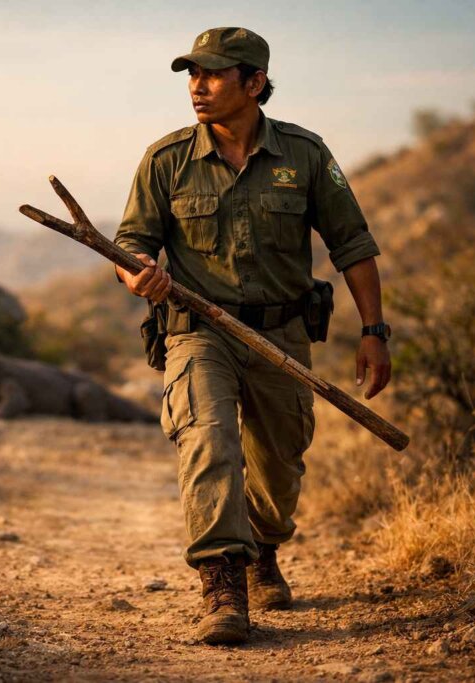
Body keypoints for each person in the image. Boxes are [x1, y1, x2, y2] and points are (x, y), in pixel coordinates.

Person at [113, 26, 392, 645]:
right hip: (196, 332)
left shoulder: (306, 156)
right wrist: (138, 274)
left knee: (278, 467)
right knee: (208, 443)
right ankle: (223, 583)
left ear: (255, 83)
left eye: (212, 75)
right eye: (192, 75)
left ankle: (263, 547)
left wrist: (374, 331)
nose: (198, 87)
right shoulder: (166, 160)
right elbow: (130, 243)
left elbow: (352, 244)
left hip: (282, 333)